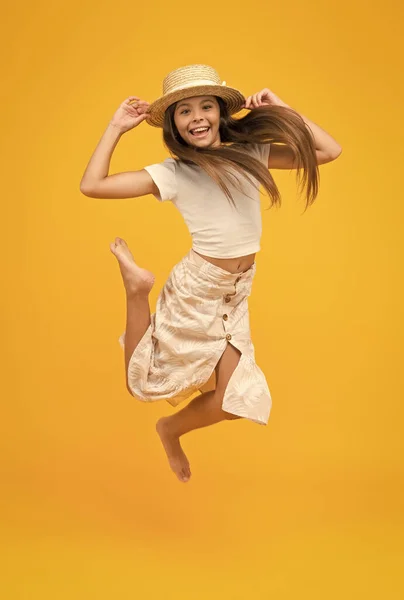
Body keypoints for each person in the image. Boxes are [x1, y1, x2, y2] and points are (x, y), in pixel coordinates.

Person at [80, 64, 342, 483]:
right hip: (198, 289)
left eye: (206, 106)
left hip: (236, 294)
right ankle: (137, 291)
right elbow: (93, 185)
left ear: (221, 112)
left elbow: (328, 151)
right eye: (184, 111)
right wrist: (115, 127)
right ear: (174, 124)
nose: (197, 117)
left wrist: (283, 109)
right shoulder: (174, 173)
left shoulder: (252, 152)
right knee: (143, 382)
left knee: (231, 402)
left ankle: (169, 429)